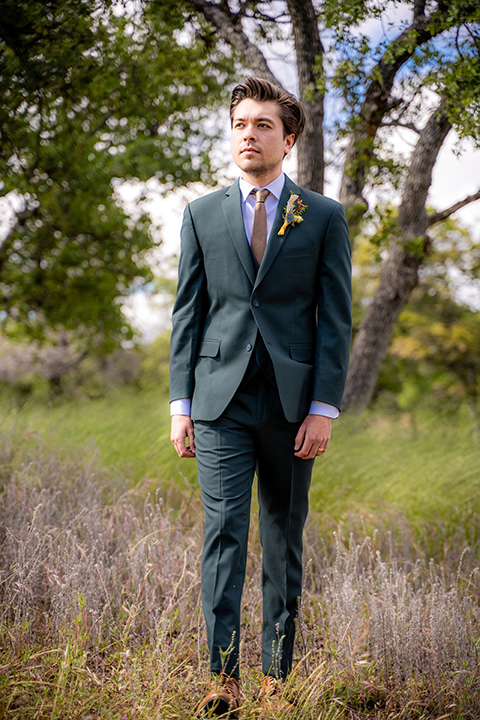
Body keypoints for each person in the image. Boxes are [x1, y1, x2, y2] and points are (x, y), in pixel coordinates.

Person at [170, 76, 352, 716]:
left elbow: (336, 320)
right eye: (241, 124)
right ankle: (223, 677)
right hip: (218, 404)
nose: (249, 134)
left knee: (282, 537)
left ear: (289, 138)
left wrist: (324, 408)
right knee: (222, 534)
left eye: (263, 125)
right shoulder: (201, 214)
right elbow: (187, 315)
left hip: (293, 407)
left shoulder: (323, 216)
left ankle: (277, 672)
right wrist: (180, 405)